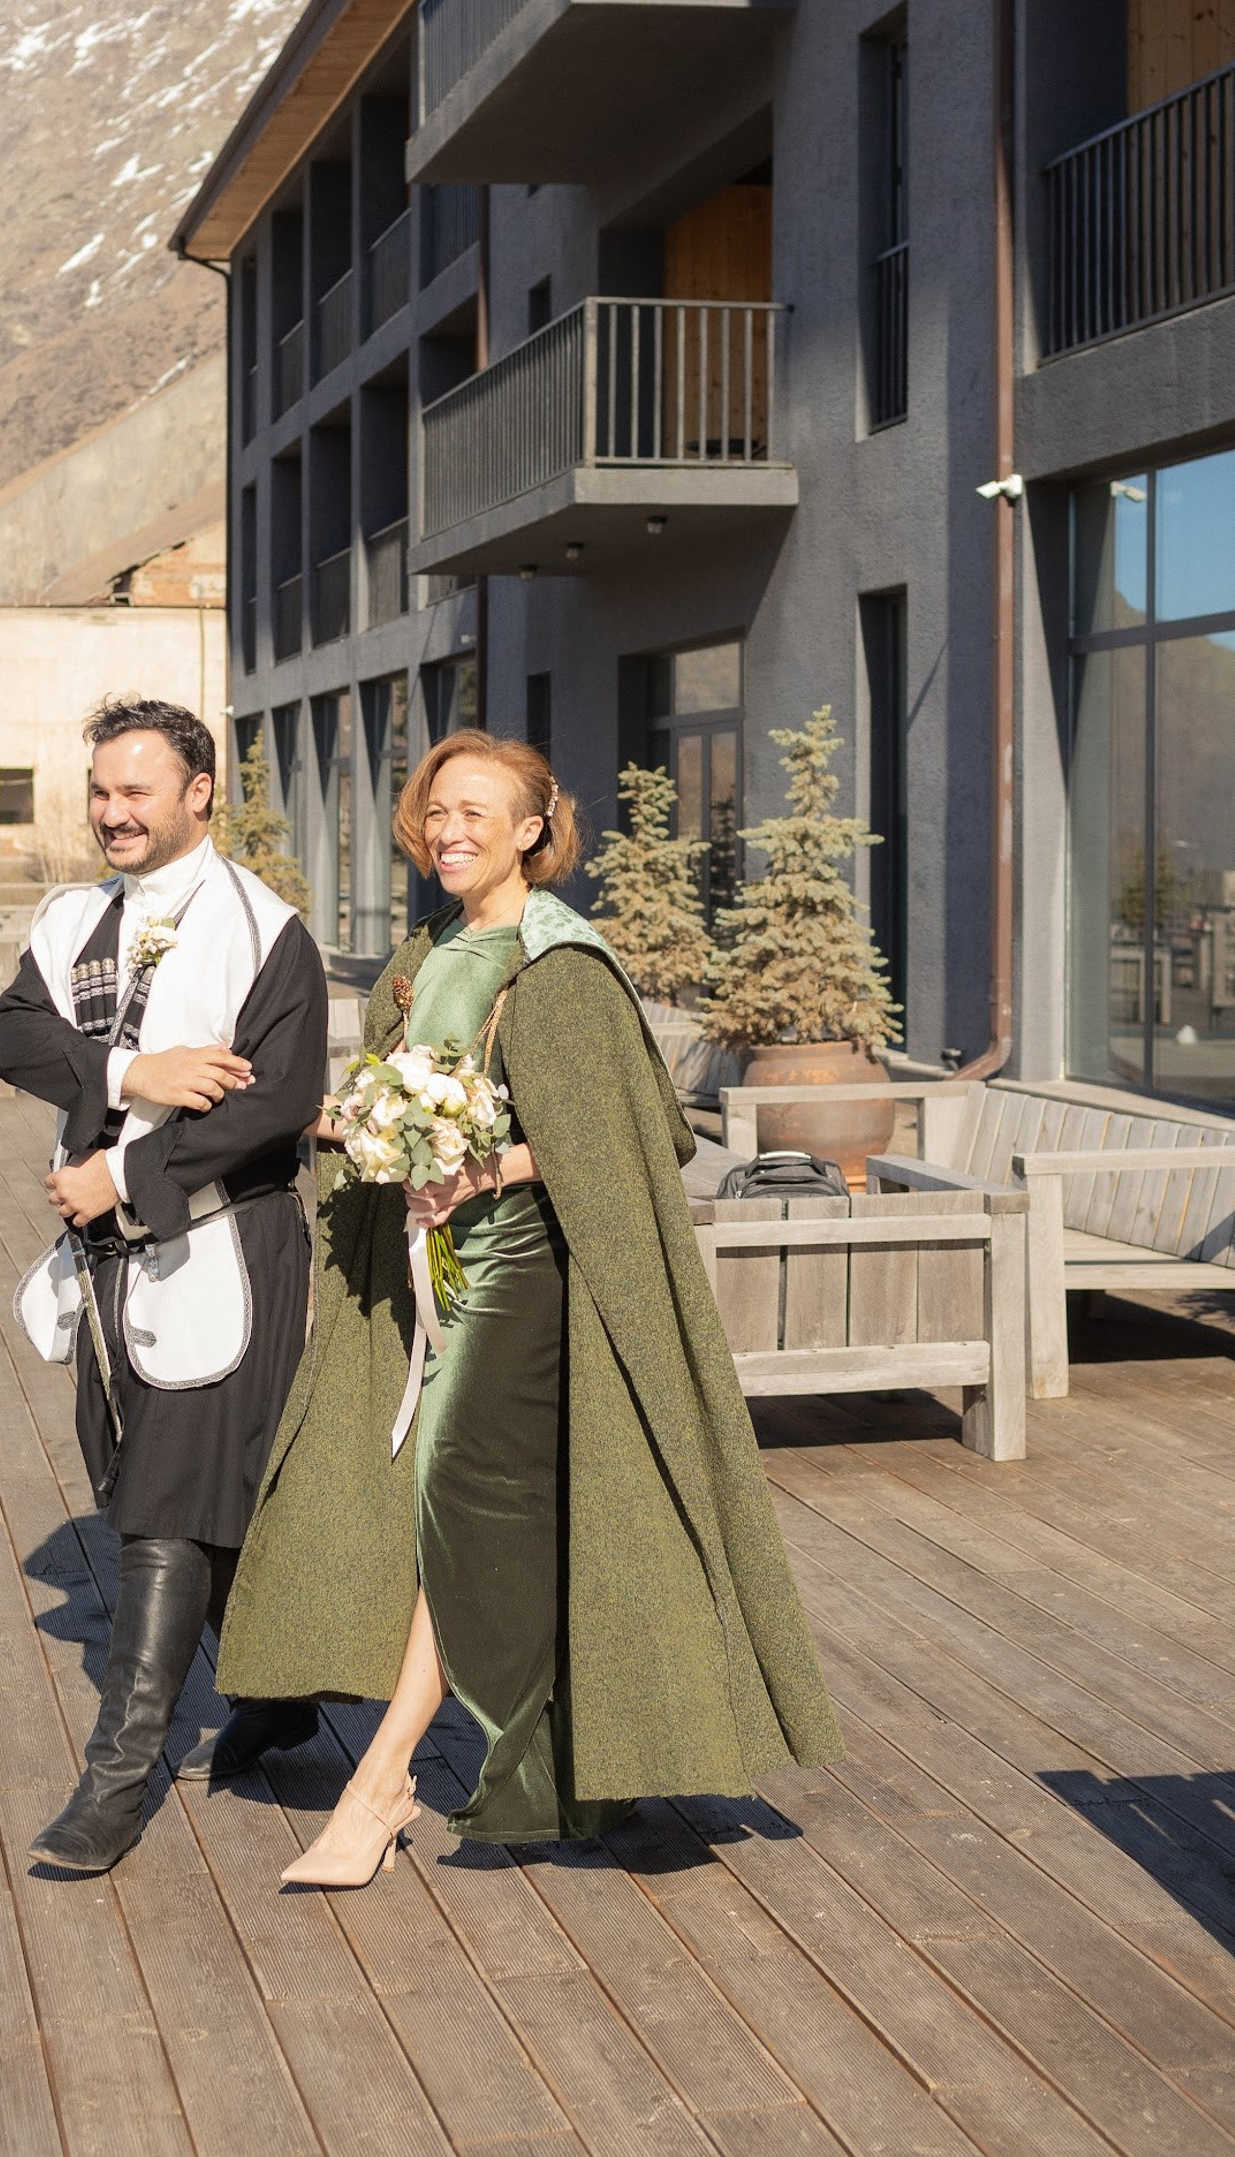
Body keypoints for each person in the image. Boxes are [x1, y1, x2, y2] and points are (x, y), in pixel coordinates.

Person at [215, 728, 843, 1888]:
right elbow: (396, 1092)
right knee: (423, 1498)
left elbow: (634, 1135)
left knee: (453, 1485)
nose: (449, 831)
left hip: (523, 1275)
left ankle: (379, 1783)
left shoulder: (560, 965)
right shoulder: (422, 957)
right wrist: (364, 1126)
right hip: (421, 1262)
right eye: (436, 812)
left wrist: (485, 1168)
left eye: (476, 814)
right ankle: (510, 1747)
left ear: (532, 831)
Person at [0, 697, 326, 1871]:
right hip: (107, 1272)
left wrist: (119, 1180)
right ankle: (278, 1696)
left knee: (162, 1510)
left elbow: (273, 1108)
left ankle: (118, 1780)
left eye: (139, 791)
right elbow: (17, 1037)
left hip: (225, 1250)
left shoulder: (263, 930)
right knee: (143, 1474)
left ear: (201, 792)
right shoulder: (75, 916)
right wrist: (140, 1068)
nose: (113, 813)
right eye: (102, 791)